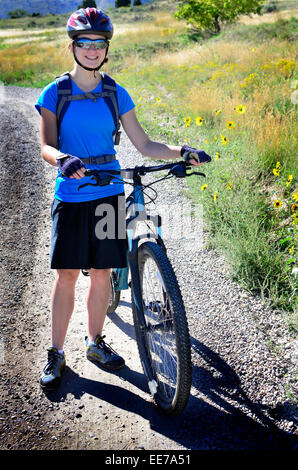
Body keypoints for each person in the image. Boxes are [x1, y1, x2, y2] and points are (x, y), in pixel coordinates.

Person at [35, 7, 211, 392]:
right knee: (66, 275)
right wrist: (63, 159)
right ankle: (56, 352)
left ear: (106, 48)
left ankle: (95, 342)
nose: (92, 50)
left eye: (99, 43)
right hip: (72, 192)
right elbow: (46, 145)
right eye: (85, 43)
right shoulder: (56, 92)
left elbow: (144, 144)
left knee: (101, 274)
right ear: (73, 47)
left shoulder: (115, 92)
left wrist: (182, 150)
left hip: (109, 193)